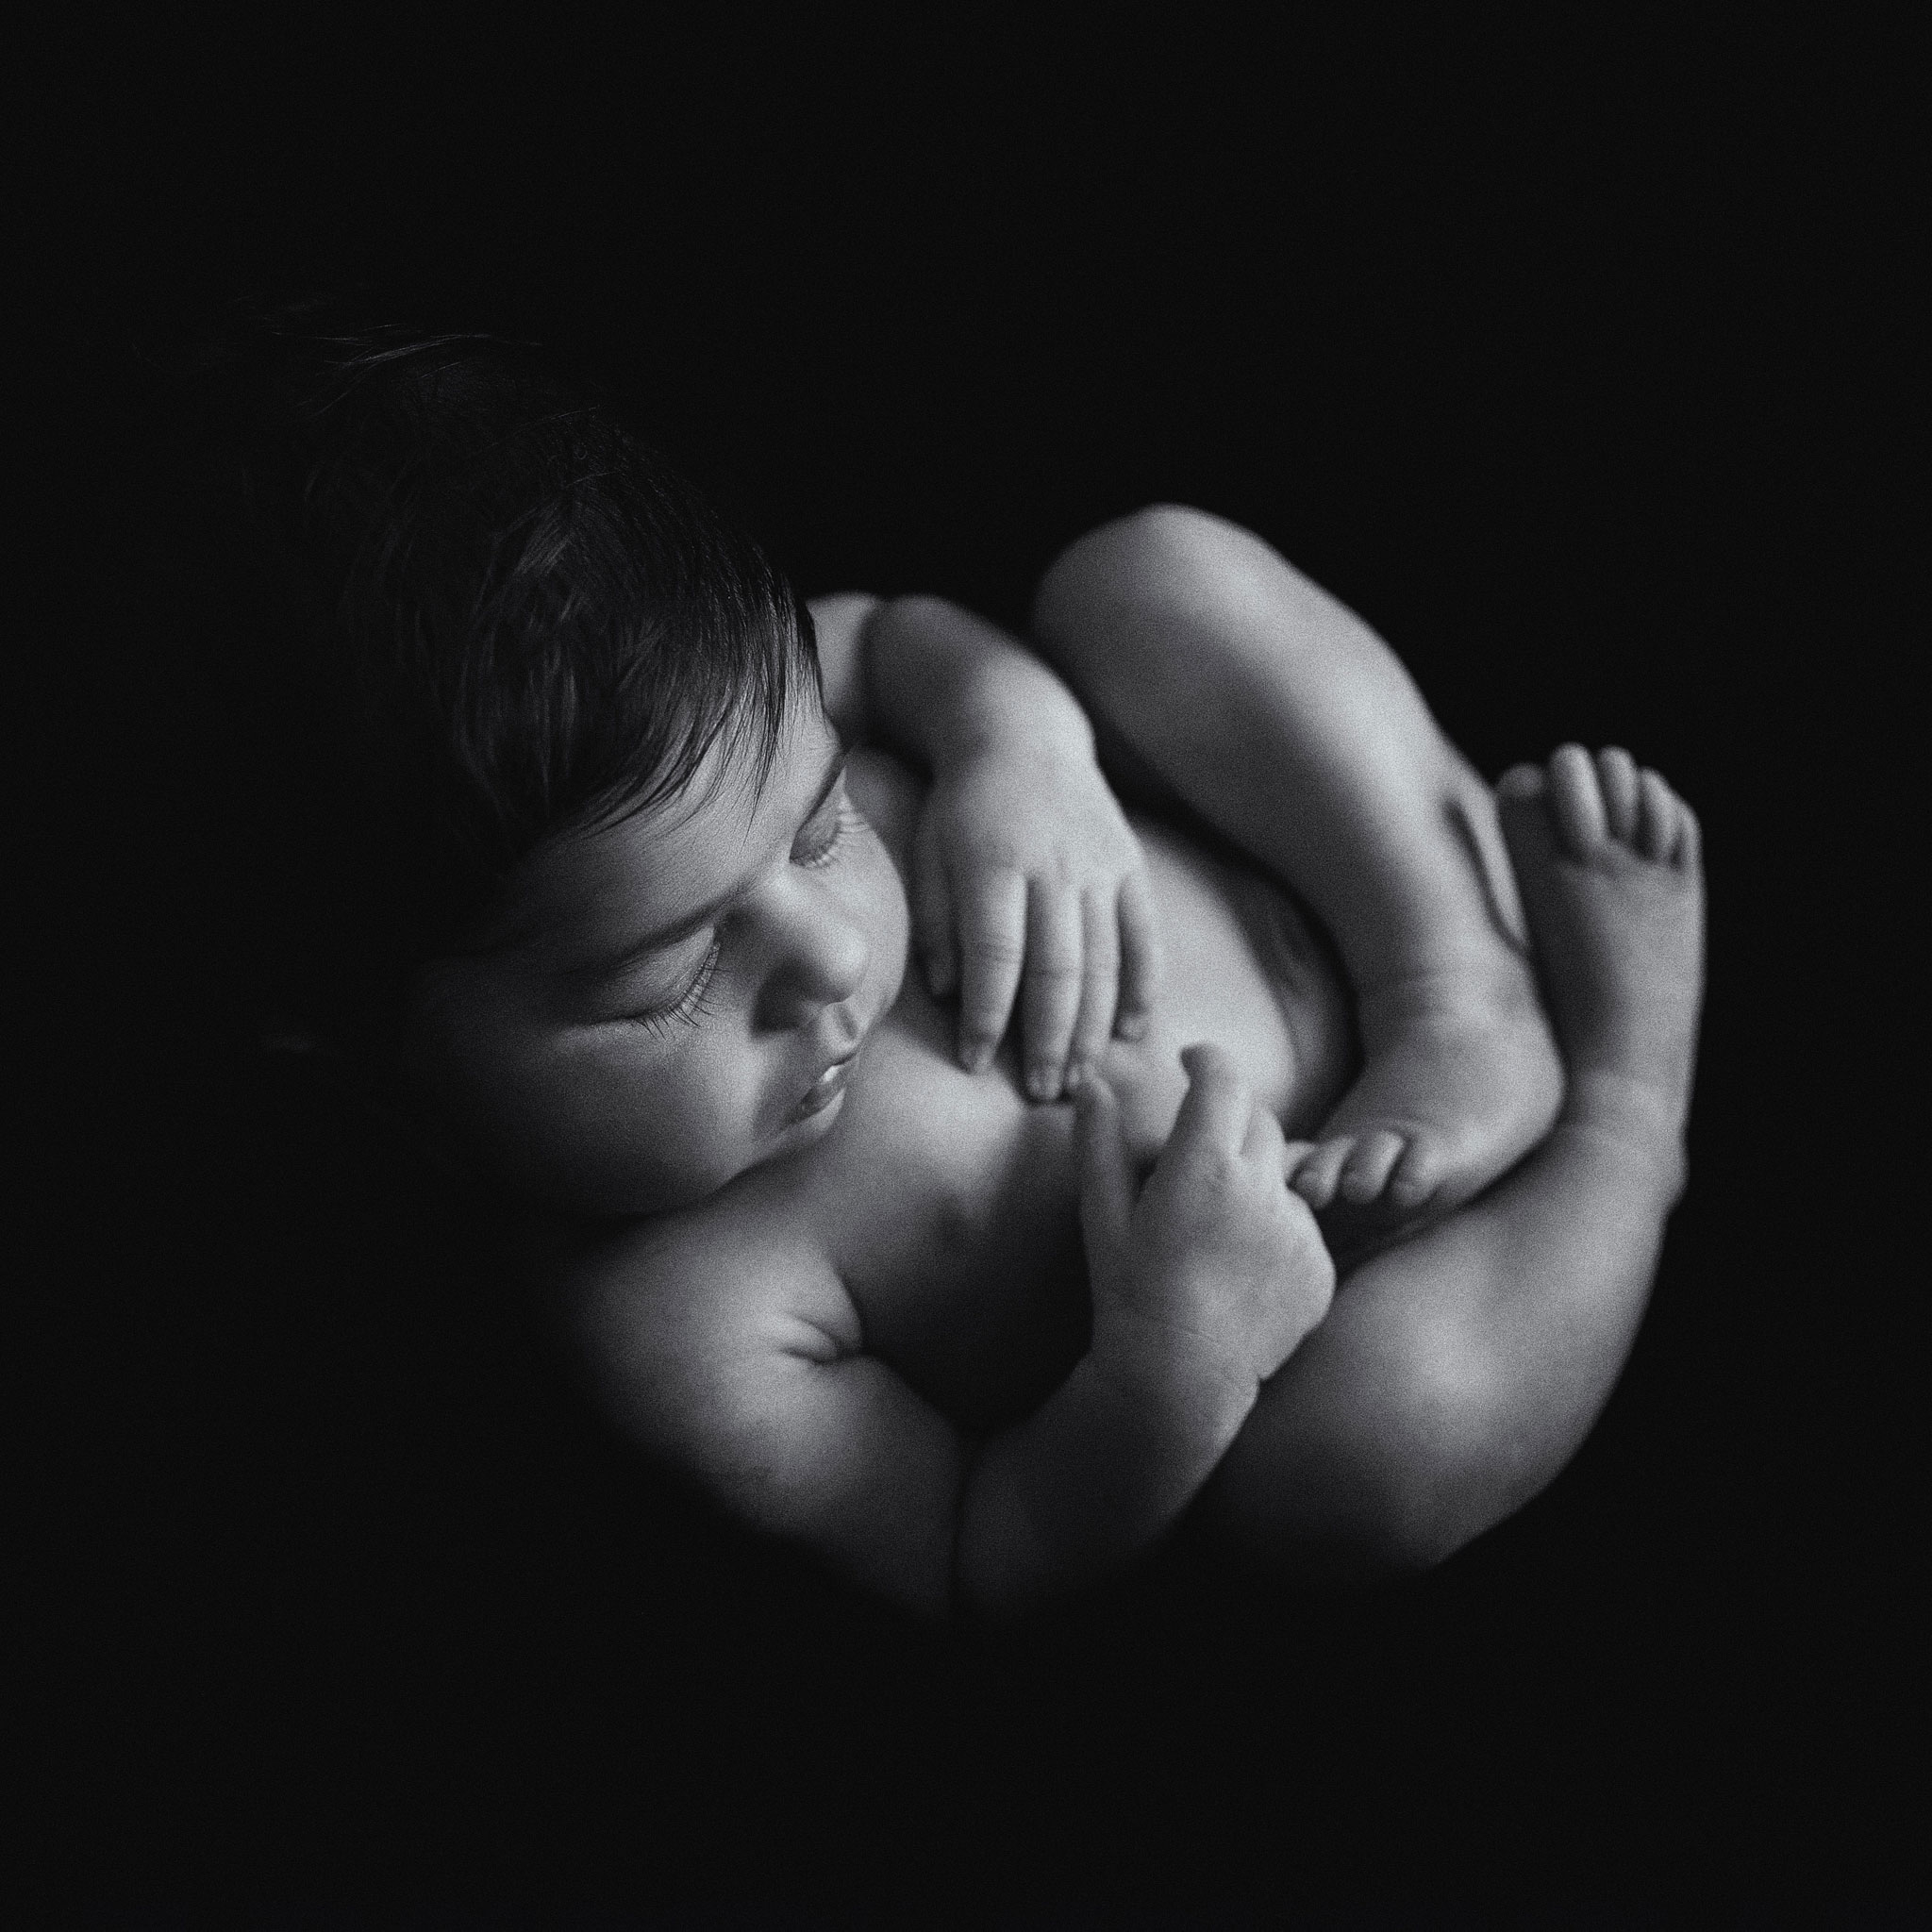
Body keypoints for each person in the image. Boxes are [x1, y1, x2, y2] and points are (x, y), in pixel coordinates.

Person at [211, 310, 1703, 1621]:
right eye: (665, 978)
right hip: (1359, 1282)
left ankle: (1452, 978)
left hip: (1330, 877)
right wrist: (1177, 1360)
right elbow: (973, 1551)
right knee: (1350, 1482)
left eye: (820, 822)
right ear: (396, 1084)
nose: (839, 951)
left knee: (1140, 578)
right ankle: (1627, 1105)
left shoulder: (705, 703)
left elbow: (897, 639)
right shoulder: (670, 1331)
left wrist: (1016, 747)